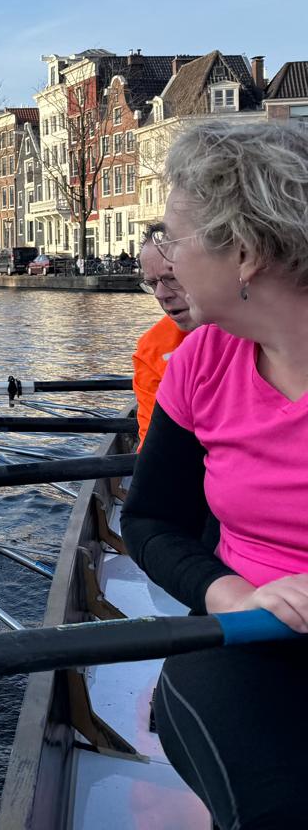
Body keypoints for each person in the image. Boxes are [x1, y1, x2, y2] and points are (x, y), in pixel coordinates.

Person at [123, 119, 308, 830]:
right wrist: (231, 595)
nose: (165, 264)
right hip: (245, 640)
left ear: (246, 254)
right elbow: (149, 519)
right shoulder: (200, 360)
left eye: (173, 239)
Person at [130, 220, 203, 445]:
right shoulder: (151, 348)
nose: (160, 295)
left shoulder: (254, 328)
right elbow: (152, 444)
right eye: (152, 284)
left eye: (172, 278)